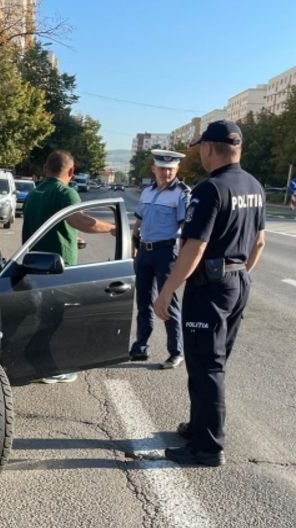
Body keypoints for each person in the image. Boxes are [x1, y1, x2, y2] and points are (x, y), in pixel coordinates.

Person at [149, 120, 266, 466]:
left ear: (211, 148)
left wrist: (166, 292)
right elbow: (259, 242)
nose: (200, 152)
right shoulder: (254, 186)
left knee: (207, 366)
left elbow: (194, 248)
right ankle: (198, 427)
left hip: (211, 287)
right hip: (238, 281)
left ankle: (208, 447)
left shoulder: (210, 189)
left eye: (201, 146)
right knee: (210, 363)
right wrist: (238, 277)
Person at [21, 150, 116, 383]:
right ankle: (52, 369)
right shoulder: (66, 192)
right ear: (71, 172)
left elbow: (46, 225)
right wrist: (113, 228)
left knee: (43, 315)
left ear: (45, 168)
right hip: (58, 267)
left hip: (33, 262)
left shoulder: (35, 193)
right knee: (57, 318)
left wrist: (72, 238)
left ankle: (37, 363)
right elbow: (81, 221)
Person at [129, 149, 190, 369]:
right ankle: (141, 347)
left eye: (170, 169)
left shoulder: (182, 194)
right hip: (145, 251)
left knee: (166, 303)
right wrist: (134, 244)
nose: (166, 173)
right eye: (162, 168)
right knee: (143, 302)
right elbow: (139, 221)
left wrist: (182, 257)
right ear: (154, 169)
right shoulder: (147, 192)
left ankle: (176, 352)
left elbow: (185, 228)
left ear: (177, 169)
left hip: (166, 253)